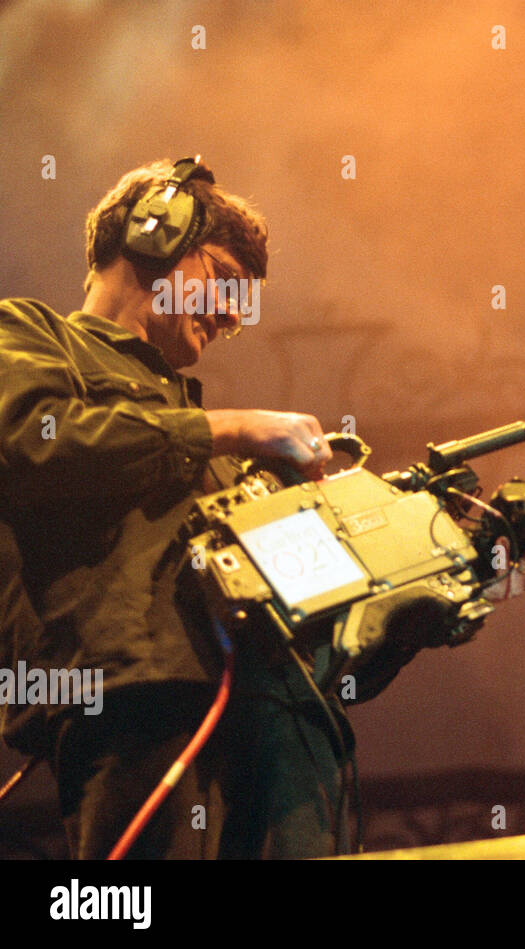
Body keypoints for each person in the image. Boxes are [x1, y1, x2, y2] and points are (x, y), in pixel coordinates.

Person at [0, 157, 356, 858]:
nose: (230, 315)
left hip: (282, 727)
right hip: (132, 701)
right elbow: (32, 441)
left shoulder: (213, 452)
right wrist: (225, 427)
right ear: (152, 233)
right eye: (223, 280)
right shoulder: (28, 335)